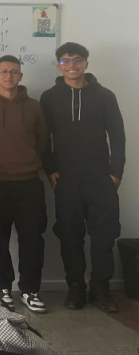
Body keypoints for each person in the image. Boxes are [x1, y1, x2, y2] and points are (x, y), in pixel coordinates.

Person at [40, 42, 125, 312]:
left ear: (86, 63)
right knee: (70, 236)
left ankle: (101, 289)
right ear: (59, 66)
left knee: (104, 237)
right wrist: (50, 168)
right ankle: (75, 288)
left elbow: (118, 136)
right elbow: (43, 138)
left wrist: (116, 172)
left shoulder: (105, 96)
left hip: (101, 178)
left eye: (77, 59)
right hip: (66, 179)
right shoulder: (49, 97)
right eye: (65, 61)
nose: (72, 65)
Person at [0, 55, 48, 313]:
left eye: (14, 71)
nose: (9, 76)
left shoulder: (34, 106)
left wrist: (28, 161)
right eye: (3, 71)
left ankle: (30, 290)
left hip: (29, 183)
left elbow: (42, 141)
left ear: (20, 76)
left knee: (32, 239)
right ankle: (3, 286)